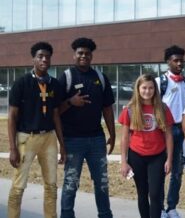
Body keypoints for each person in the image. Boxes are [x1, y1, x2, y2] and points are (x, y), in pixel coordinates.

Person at [7, 41, 66, 218]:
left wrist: (62, 145)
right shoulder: (21, 83)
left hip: (48, 138)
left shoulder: (54, 84)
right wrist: (13, 148)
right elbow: (12, 117)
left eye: (47, 57)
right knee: (18, 187)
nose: (44, 59)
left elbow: (56, 115)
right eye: (40, 56)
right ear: (33, 58)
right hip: (27, 138)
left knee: (51, 186)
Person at [58, 37, 115, 218]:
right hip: (72, 140)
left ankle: (105, 215)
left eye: (87, 53)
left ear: (92, 56)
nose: (84, 56)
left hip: (97, 141)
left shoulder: (100, 77)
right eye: (80, 53)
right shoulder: (66, 77)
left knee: (102, 184)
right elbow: (55, 111)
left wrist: (112, 135)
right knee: (70, 184)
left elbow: (107, 109)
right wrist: (70, 101)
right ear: (74, 55)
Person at [119, 74, 174, 218]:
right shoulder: (130, 109)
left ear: (155, 90)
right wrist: (124, 161)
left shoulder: (162, 108)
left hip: (157, 155)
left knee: (155, 194)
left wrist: (169, 159)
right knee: (142, 193)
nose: (147, 91)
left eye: (150, 88)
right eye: (144, 88)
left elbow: (168, 135)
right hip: (136, 155)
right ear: (138, 89)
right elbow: (124, 137)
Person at [156, 45, 185, 218]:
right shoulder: (159, 82)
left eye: (181, 60)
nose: (179, 63)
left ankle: (171, 206)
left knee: (177, 171)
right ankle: (159, 208)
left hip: (182, 130)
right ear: (167, 62)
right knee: (160, 170)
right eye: (175, 60)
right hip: (164, 131)